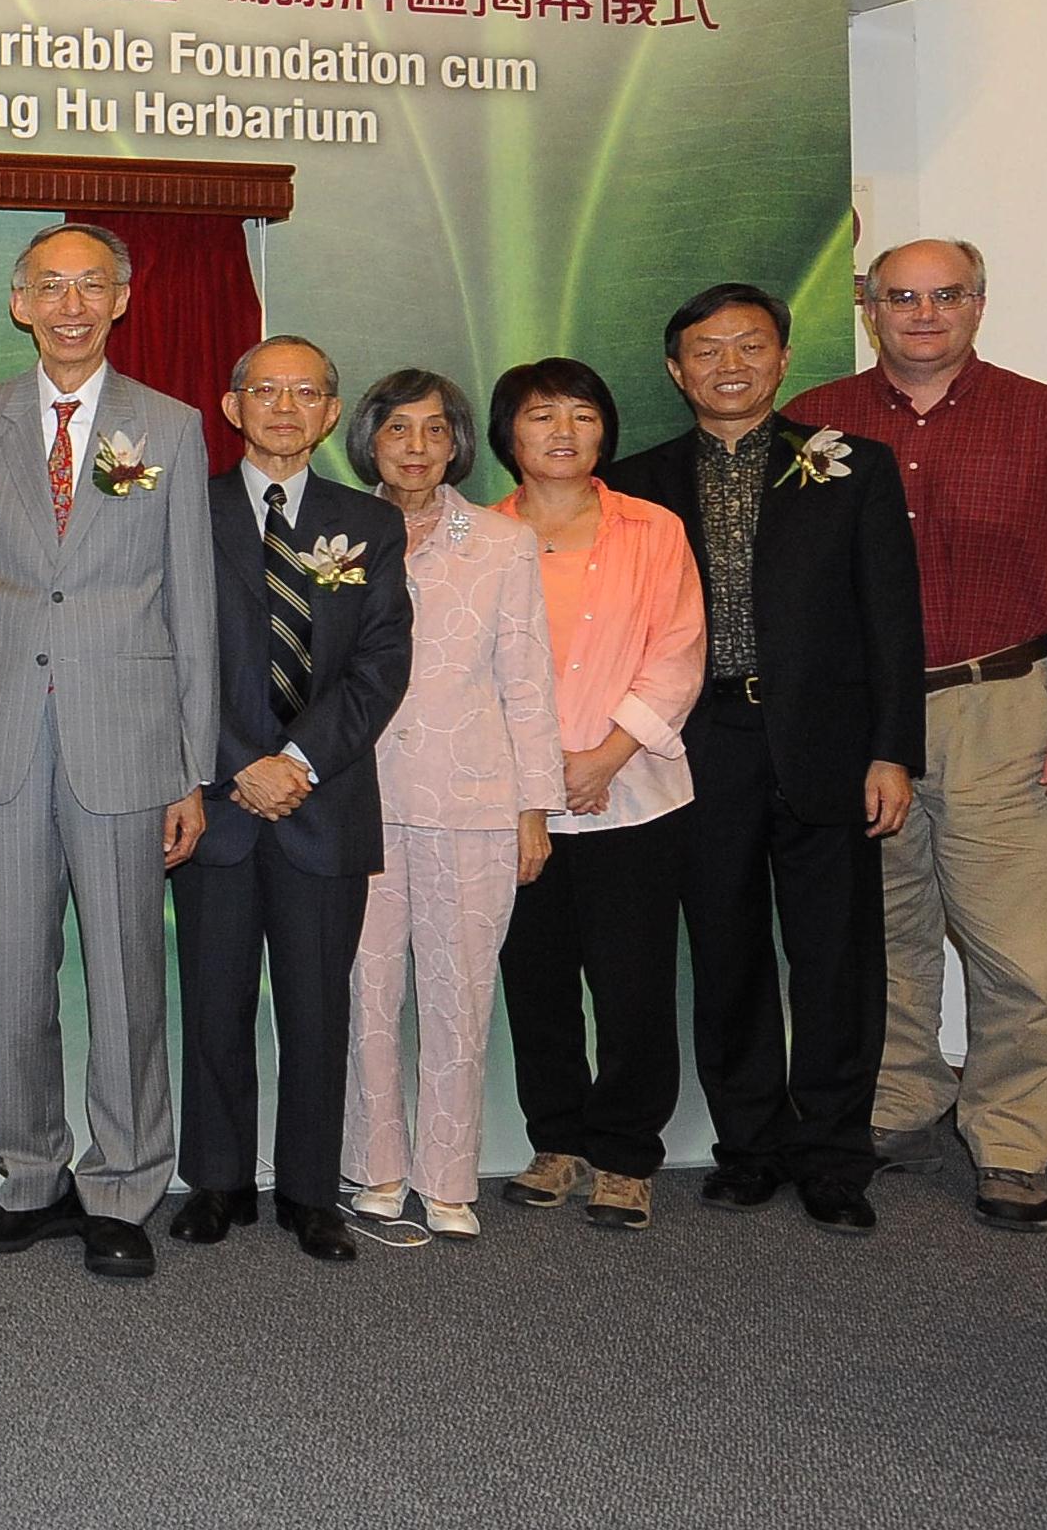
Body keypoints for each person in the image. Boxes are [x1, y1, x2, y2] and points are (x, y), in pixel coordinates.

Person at [786, 240, 1047, 1231]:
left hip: (998, 704)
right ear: (868, 307)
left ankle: (1007, 1141)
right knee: (884, 933)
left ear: (978, 304)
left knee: (1011, 948)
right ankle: (900, 1098)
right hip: (859, 717)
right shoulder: (813, 422)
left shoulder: (1046, 419)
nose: (920, 313)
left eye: (942, 295)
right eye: (898, 297)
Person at [0, 224, 218, 1283]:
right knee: (11, 974)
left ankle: (124, 1184)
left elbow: (190, 597)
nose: (67, 304)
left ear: (121, 298)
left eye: (87, 285)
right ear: (16, 302)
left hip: (126, 738)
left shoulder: (171, 428)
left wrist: (189, 762)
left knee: (127, 975)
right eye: (47, 286)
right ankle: (28, 1176)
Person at [609, 283, 923, 1236]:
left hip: (829, 747)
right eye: (706, 350)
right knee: (728, 948)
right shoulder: (638, 481)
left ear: (784, 360)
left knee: (837, 956)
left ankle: (835, 1153)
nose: (729, 365)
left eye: (750, 346)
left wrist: (893, 751)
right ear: (676, 369)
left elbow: (892, 621)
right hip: (701, 745)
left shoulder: (853, 467)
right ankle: (751, 1145)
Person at [177, 335, 414, 1263]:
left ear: (328, 411)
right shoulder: (183, 514)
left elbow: (382, 662)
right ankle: (218, 1180)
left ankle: (314, 1191)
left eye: (305, 391)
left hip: (325, 802)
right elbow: (166, 656)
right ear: (231, 406)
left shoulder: (370, 522)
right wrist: (245, 763)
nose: (284, 406)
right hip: (217, 802)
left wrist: (300, 761)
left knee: (319, 1009)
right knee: (214, 1000)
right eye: (264, 390)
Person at [341, 369, 555, 1242]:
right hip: (359, 796)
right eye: (398, 430)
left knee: (460, 995)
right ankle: (378, 1166)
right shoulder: (338, 533)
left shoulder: (504, 544)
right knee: (368, 989)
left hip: (472, 798)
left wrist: (534, 808)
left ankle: (450, 1175)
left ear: (459, 441)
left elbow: (528, 680)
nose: (418, 447)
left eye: (435, 430)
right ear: (370, 440)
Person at [491, 359, 704, 1232]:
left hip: (636, 793)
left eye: (582, 414)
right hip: (515, 804)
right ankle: (556, 1139)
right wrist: (537, 776)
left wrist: (606, 754)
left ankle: (624, 1152)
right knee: (534, 979)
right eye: (543, 416)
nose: (564, 432)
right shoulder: (479, 534)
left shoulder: (652, 529)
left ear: (605, 431)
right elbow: (464, 673)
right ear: (510, 433)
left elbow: (680, 648)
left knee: (634, 983)